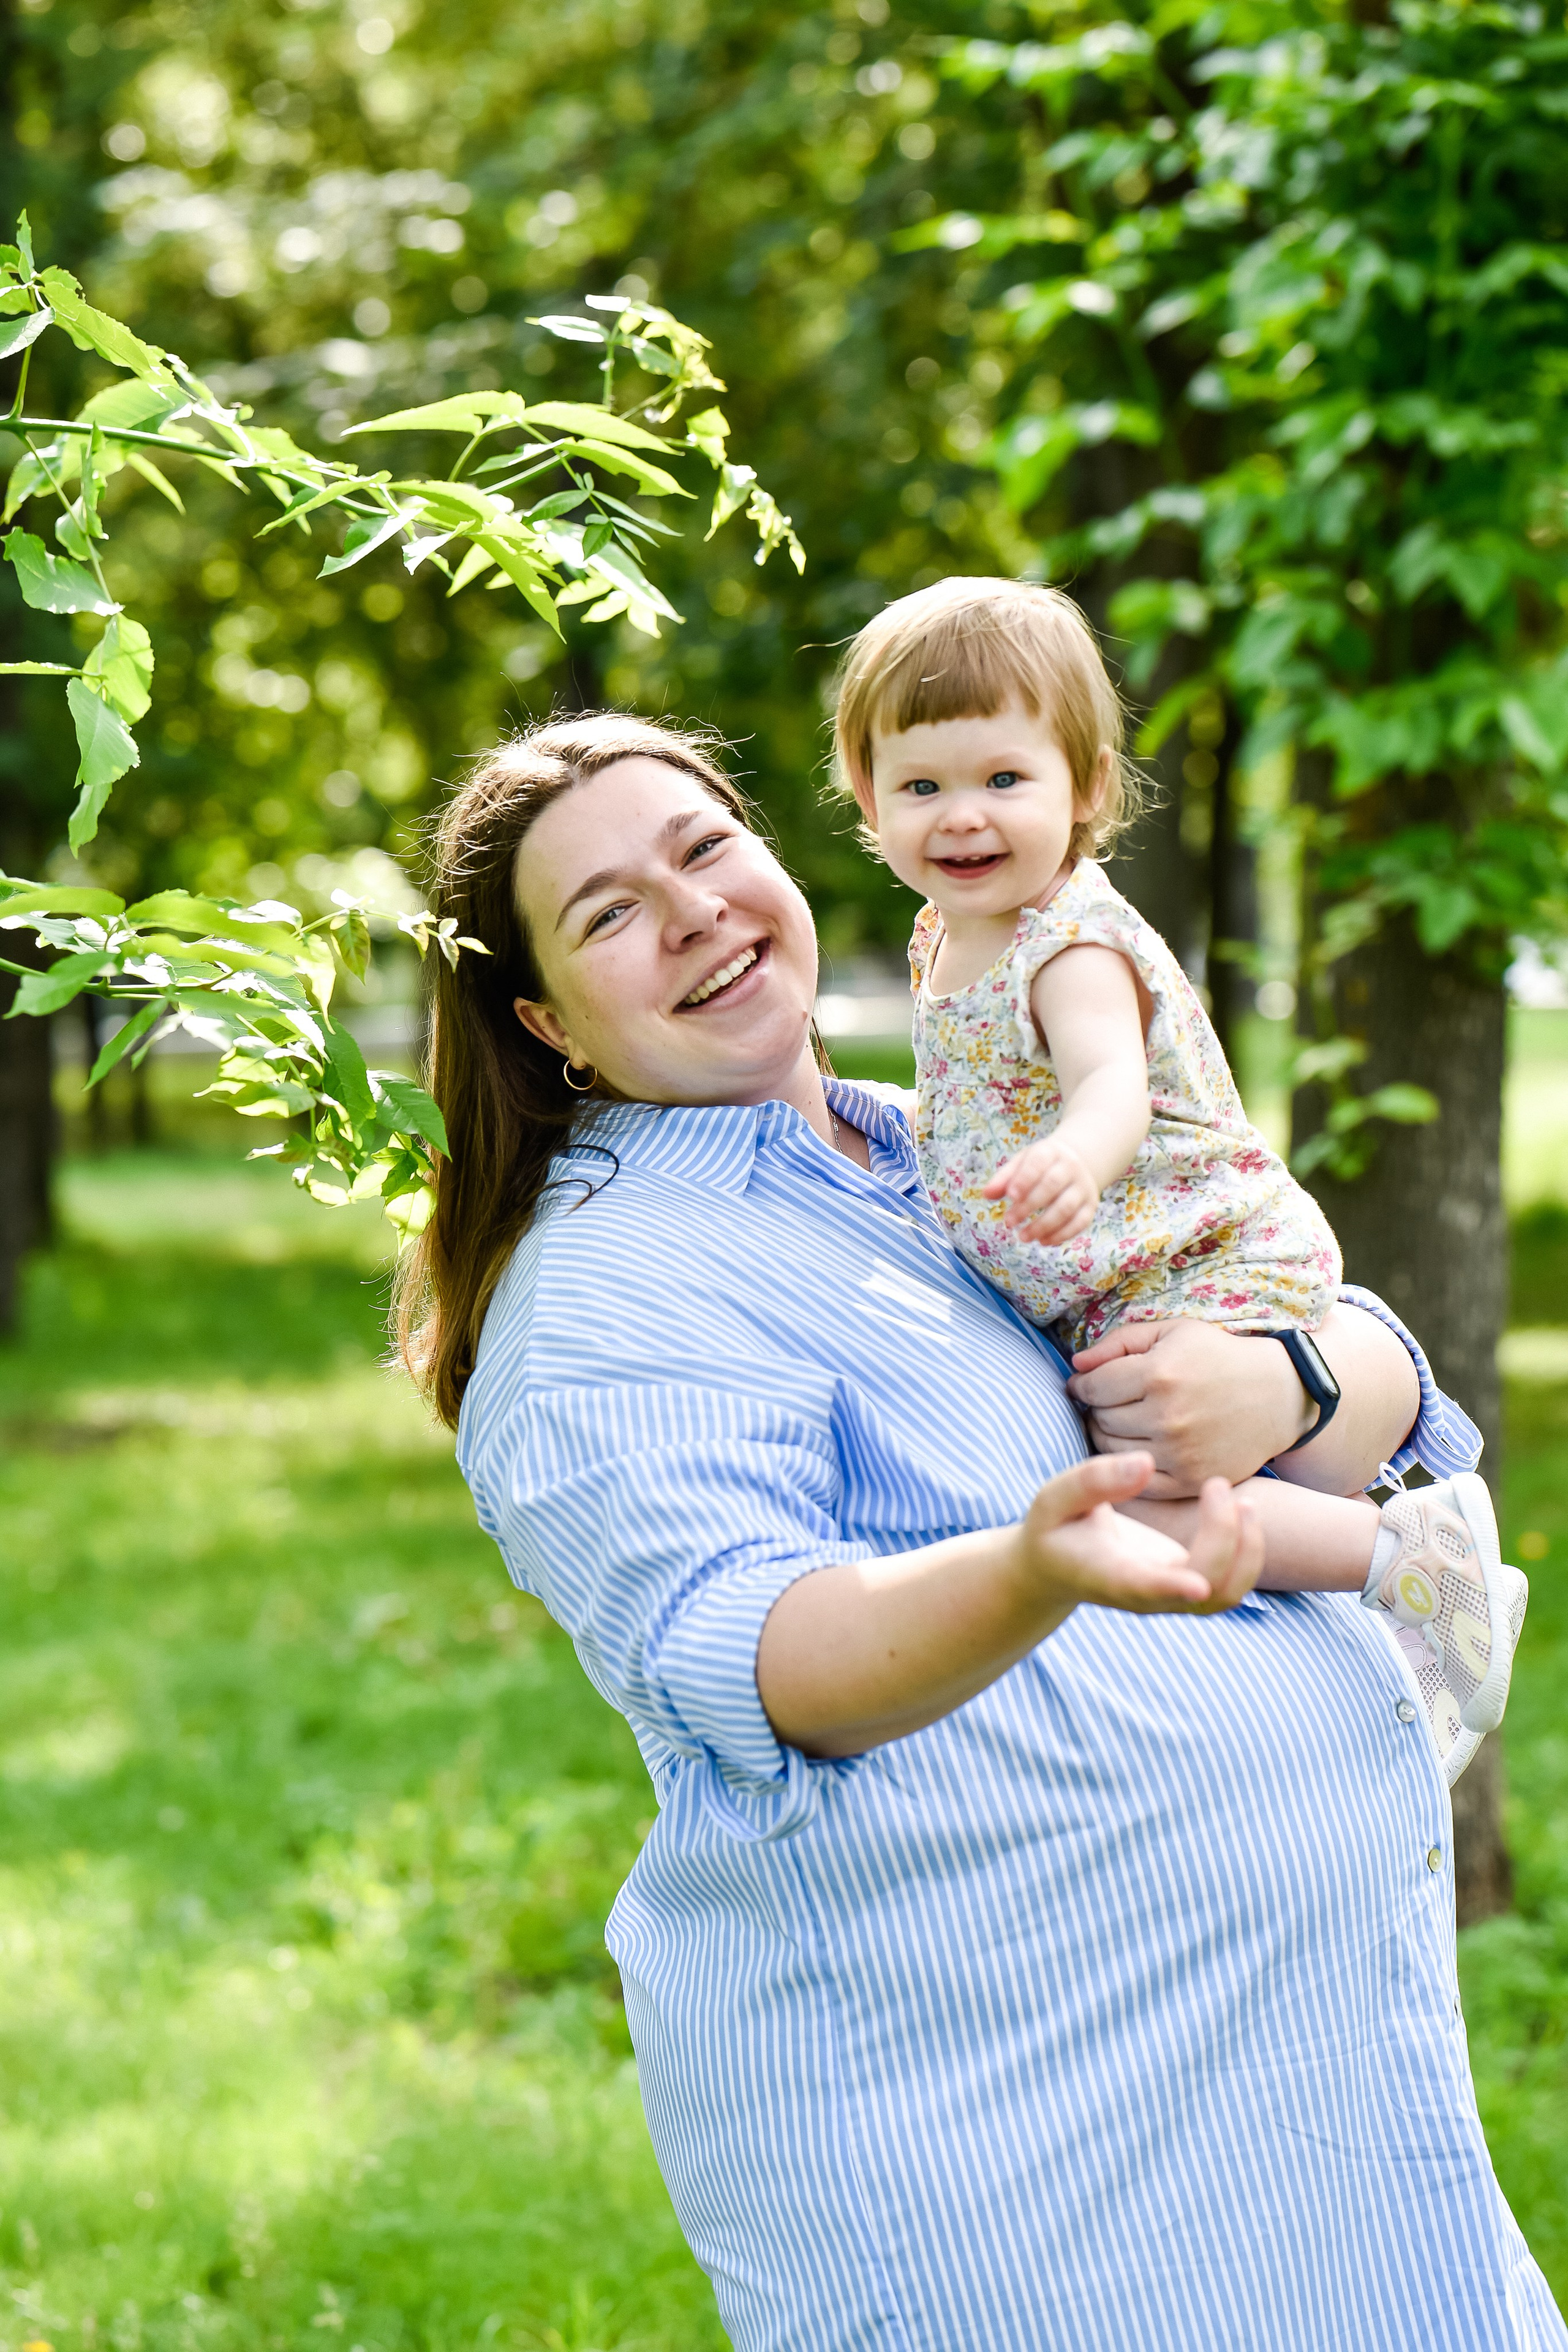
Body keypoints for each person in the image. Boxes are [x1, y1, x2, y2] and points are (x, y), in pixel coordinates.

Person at [403, 712, 1566, 2352]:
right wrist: (1032, 1567)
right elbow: (764, 1658)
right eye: (607, 915)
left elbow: (1350, 1360)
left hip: (1305, 2097)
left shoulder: (939, 1137)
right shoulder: (604, 1300)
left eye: (704, 847)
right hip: (1024, 2152)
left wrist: (1300, 1374)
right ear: (549, 1023)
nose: (693, 912)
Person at [832, 575, 1526, 1783]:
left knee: (1137, 1493)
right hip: (1116, 1266)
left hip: (1190, 1246)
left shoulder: (1068, 943)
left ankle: (1405, 1559)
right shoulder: (945, 932)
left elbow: (1106, 1086)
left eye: (1004, 779)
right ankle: (1371, 1603)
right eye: (922, 786)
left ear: (1086, 788)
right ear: (867, 800)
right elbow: (972, 1098)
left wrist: (1071, 1157)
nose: (962, 817)